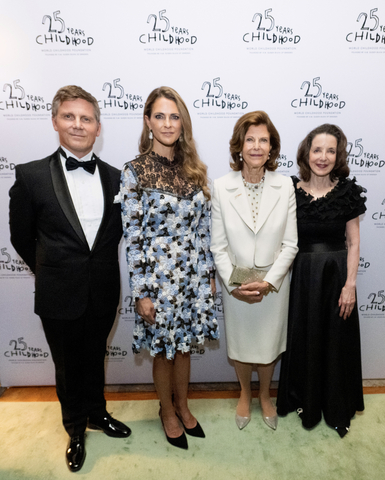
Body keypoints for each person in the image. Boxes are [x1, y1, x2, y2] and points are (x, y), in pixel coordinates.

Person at [9, 85, 131, 472]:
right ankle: (75, 428)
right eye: (70, 116)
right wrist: (53, 269)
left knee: (96, 359)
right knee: (67, 365)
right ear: (55, 121)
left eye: (87, 118)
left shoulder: (118, 178)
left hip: (103, 289)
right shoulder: (30, 176)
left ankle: (98, 413)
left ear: (98, 127)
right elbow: (20, 236)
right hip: (58, 291)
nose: (78, 125)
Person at [118, 86, 219, 449]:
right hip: (158, 281)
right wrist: (142, 291)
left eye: (174, 116)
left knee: (186, 347)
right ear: (147, 122)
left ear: (183, 123)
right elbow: (134, 237)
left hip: (191, 276)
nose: (167, 123)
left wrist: (208, 275)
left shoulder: (195, 170)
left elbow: (203, 230)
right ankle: (166, 410)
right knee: (163, 350)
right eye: (159, 116)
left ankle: (183, 404)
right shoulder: (135, 172)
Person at [277, 124, 367, 438]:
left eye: (331, 150)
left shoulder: (347, 191)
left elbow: (354, 242)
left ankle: (336, 404)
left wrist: (350, 285)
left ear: (337, 155)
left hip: (337, 279)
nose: (323, 157)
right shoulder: (289, 189)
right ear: (307, 152)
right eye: (318, 149)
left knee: (336, 341)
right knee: (305, 338)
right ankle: (306, 401)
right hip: (303, 279)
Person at [210, 111, 298, 431]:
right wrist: (237, 284)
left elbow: (290, 244)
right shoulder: (221, 186)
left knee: (268, 346)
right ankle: (245, 393)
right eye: (250, 139)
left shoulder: (285, 185)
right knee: (243, 346)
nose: (257, 146)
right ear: (239, 146)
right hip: (237, 282)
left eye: (264, 140)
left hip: (273, 283)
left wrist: (268, 281)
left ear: (272, 147)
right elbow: (218, 246)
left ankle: (265, 395)